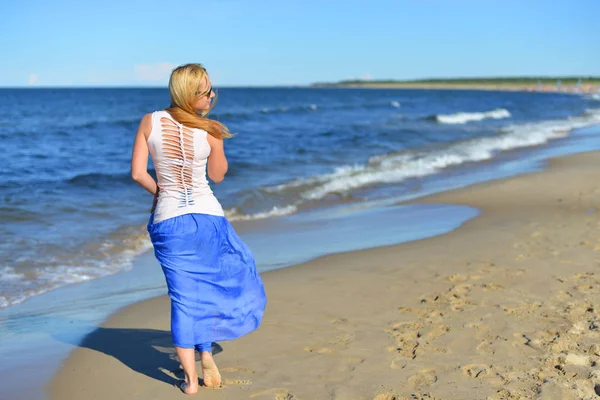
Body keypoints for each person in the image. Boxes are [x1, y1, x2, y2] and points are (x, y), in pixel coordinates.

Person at [130, 63, 267, 394]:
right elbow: (218, 176)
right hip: (208, 218)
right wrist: (216, 141)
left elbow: (138, 174)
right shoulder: (211, 128)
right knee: (209, 288)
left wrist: (163, 192)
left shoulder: (150, 120)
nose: (213, 95)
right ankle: (205, 353)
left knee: (184, 297)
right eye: (207, 91)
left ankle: (191, 381)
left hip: (169, 221)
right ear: (191, 94)